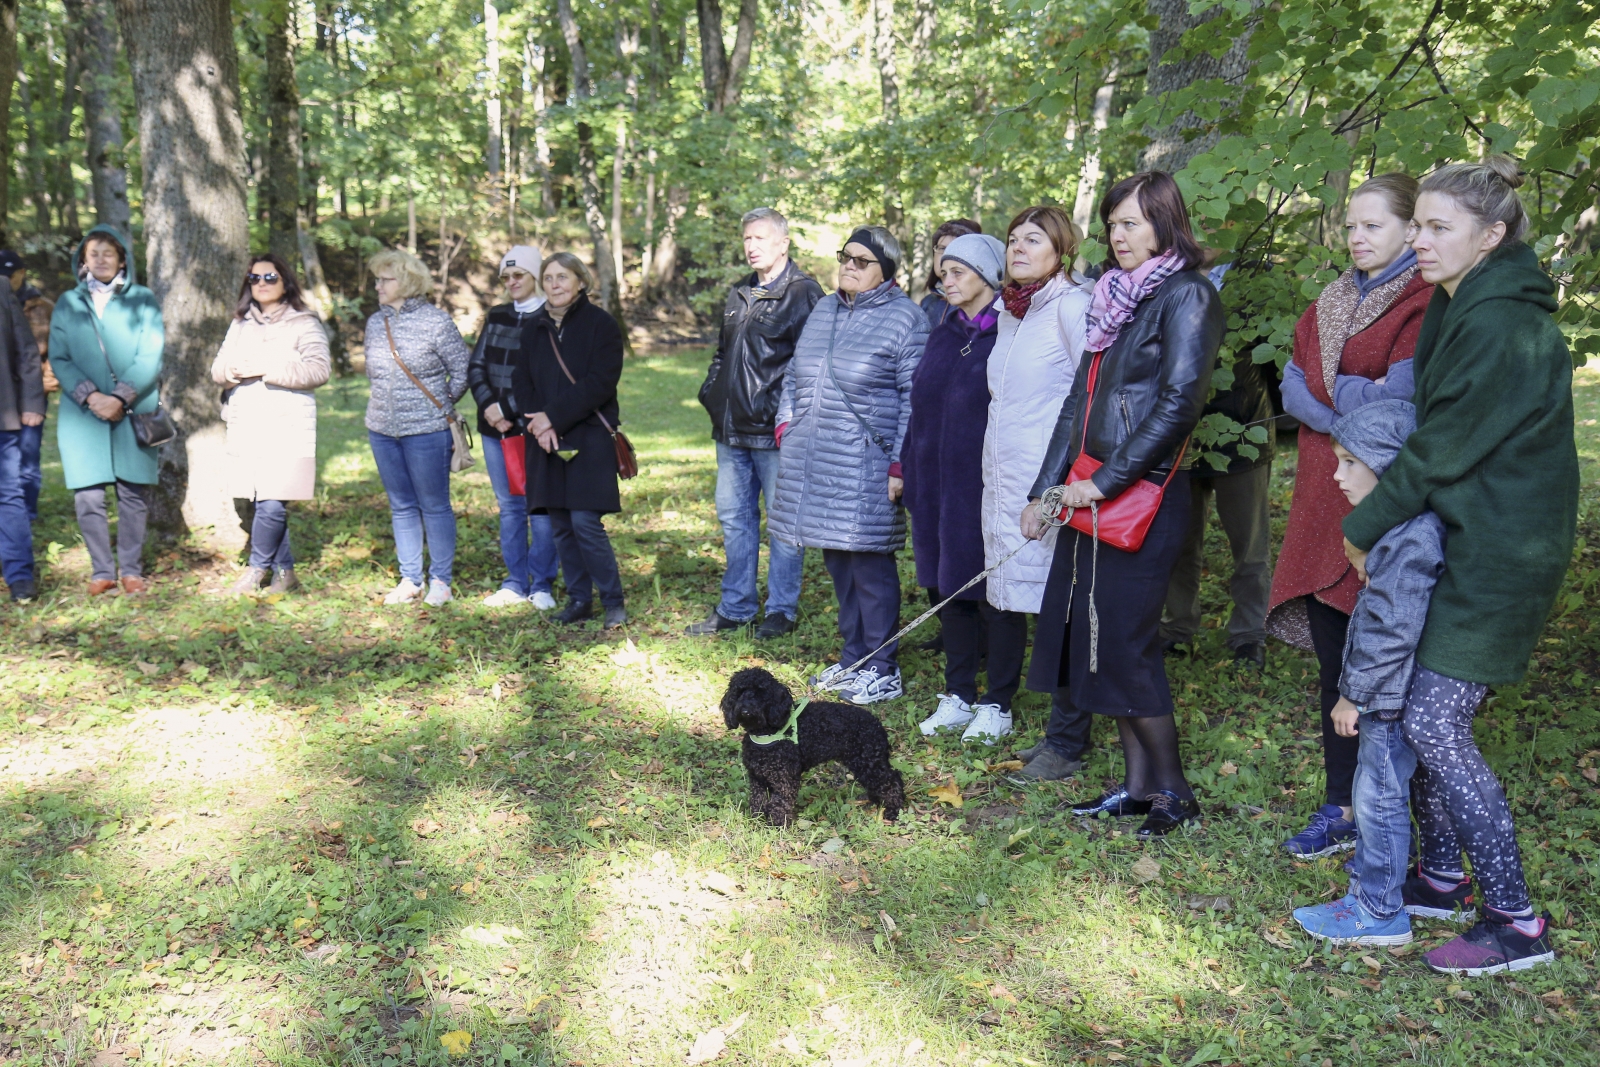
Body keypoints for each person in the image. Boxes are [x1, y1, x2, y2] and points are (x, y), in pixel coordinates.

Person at [1341, 156, 1571, 976]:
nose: (1420, 239)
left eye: (1440, 227)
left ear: (1493, 234)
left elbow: (1441, 445)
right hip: (1464, 537)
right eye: (1420, 224)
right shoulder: (1457, 298)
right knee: (1422, 715)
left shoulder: (1504, 321)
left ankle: (1518, 923)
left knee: (1435, 719)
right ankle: (1439, 878)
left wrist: (1363, 524)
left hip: (1502, 554)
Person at [1020, 172, 1221, 837]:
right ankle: (1139, 789)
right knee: (1099, 643)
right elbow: (1077, 405)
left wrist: (1104, 483)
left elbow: (1178, 405)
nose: (1118, 234)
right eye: (1112, 224)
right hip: (1085, 494)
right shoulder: (1116, 299)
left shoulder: (1187, 295)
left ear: (1166, 223)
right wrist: (1045, 491)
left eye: (1131, 223)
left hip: (1141, 497)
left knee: (1129, 648)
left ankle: (1176, 794)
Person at [1266, 173, 1433, 858]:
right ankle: (1340, 806)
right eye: (1351, 225)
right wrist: (1344, 410)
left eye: (1374, 225)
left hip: (1380, 501)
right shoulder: (1331, 299)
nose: (1358, 237)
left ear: (1407, 229)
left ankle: (1392, 811)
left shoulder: (1425, 302)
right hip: (1322, 492)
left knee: (1387, 662)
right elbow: (1291, 384)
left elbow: (1401, 399)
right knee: (1335, 660)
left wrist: (1334, 403)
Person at [1292, 401, 1445, 948]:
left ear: (1386, 462)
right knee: (1384, 791)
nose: (1336, 475)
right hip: (1393, 690)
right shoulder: (1405, 529)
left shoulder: (1408, 538)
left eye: (1349, 461)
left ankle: (1378, 910)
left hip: (1384, 695)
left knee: (1378, 797)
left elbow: (1391, 629)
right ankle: (1385, 895)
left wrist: (1352, 695)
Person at [769, 226, 928, 706]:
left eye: (863, 260)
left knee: (870, 564)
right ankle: (853, 656)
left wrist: (901, 462)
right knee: (838, 560)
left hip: (867, 463)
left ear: (886, 271)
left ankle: (882, 667)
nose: (850, 266)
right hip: (817, 458)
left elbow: (913, 401)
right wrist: (786, 425)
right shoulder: (824, 309)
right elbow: (796, 375)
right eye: (846, 257)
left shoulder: (907, 320)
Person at [964, 205, 1095, 766]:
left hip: (1049, 486)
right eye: (1013, 239)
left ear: (1061, 250)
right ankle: (1049, 725)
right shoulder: (1014, 311)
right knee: (1021, 596)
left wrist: (1052, 490)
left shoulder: (1072, 307)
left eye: (1033, 239)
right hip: (1005, 477)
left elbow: (1084, 405)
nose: (1018, 248)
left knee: (1061, 603)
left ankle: (1069, 736)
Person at [689, 207, 823, 638]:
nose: (751, 246)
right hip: (729, 432)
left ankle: (781, 610)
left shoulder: (803, 293)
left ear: (784, 243)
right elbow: (721, 355)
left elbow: (812, 365)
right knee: (735, 519)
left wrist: (788, 417)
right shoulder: (738, 294)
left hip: (774, 434)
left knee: (783, 524)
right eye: (747, 238)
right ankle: (737, 606)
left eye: (761, 238)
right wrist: (711, 394)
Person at [903, 233, 1012, 738]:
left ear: (987, 277)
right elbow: (921, 407)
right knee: (949, 588)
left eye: (958, 272)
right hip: (935, 483)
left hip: (985, 483)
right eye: (943, 272)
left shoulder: (1009, 334)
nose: (945, 280)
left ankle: (998, 703)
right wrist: (905, 466)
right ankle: (959, 693)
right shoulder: (943, 332)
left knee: (993, 589)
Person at [1158, 255, 1276, 669]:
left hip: (1242, 430)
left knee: (1249, 546)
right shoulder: (1166, 278)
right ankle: (1177, 628)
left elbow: (1274, 360)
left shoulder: (1257, 278)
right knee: (1178, 542)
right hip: (1180, 433)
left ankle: (1248, 636)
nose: (1204, 224)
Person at [514, 252, 628, 630]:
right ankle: (579, 599)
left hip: (589, 435)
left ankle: (613, 601)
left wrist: (553, 416)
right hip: (543, 438)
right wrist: (539, 423)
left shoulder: (602, 325)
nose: (554, 285)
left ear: (581, 281)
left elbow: (601, 381)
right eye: (548, 278)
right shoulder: (533, 327)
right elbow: (521, 380)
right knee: (560, 522)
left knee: (584, 521)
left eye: (563, 277)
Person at [48, 225, 164, 596]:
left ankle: (131, 569)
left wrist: (119, 397)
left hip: (132, 411)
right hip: (82, 415)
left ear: (121, 260)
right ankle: (102, 571)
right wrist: (92, 398)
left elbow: (151, 354)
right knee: (88, 496)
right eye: (93, 253)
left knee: (132, 494)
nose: (100, 259)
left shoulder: (142, 299)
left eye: (108, 253)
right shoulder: (68, 303)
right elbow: (59, 357)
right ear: (82, 259)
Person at [212, 254, 331, 596]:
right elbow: (218, 369)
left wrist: (266, 368)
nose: (261, 284)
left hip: (288, 425)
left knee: (272, 503)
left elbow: (319, 370)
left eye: (270, 277)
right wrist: (232, 372)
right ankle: (286, 572)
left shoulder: (304, 323)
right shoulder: (241, 323)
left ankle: (256, 570)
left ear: (285, 283)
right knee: (261, 500)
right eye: (254, 278)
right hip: (246, 424)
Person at [364, 248, 471, 607]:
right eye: (377, 279)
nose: (377, 286)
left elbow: (462, 371)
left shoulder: (435, 322)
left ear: (406, 282)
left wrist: (440, 405)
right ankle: (411, 579)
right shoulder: (375, 323)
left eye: (385, 279)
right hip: (381, 429)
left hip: (427, 431)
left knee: (434, 505)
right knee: (401, 506)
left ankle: (441, 581)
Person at [469, 245, 562, 610]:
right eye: (505, 277)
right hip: (496, 430)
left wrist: (507, 407)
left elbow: (544, 377)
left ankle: (542, 583)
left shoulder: (551, 318)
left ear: (535, 276)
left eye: (518, 275)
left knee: (539, 506)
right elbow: (476, 366)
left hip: (534, 427)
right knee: (509, 507)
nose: (511, 282)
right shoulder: (497, 316)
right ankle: (514, 582)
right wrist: (490, 407)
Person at [0, 251, 55, 522]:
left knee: (29, 455)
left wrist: (43, 387)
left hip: (34, 392)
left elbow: (54, 352)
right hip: (6, 396)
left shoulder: (42, 306)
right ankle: (12, 512)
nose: (6, 279)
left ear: (21, 273)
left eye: (9, 274)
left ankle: (28, 513)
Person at [0, 259, 42, 600]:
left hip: (4, 413)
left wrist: (31, 403)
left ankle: (19, 576)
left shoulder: (3, 289)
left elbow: (26, 350)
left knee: (8, 493)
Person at [918, 219, 982, 328]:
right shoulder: (927, 303)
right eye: (942, 248)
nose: (946, 255)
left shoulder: (983, 301)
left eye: (955, 248)